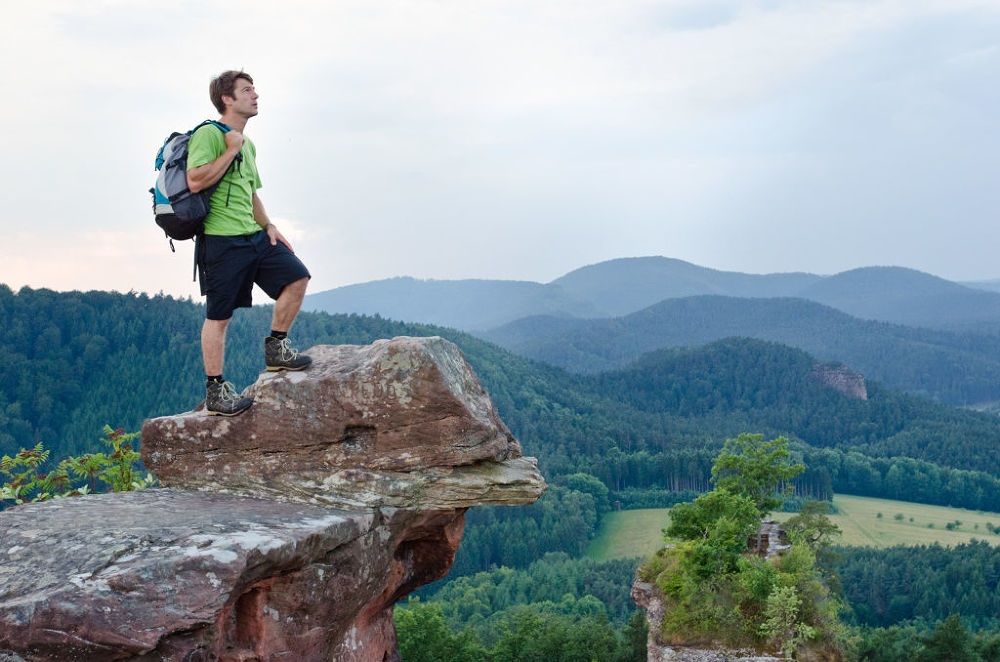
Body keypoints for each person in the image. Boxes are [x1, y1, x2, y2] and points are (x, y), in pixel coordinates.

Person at [186, 70, 312, 416]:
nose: (255, 96)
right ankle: (215, 390)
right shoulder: (210, 134)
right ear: (227, 99)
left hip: (253, 236)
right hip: (221, 240)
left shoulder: (248, 144)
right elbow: (195, 181)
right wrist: (230, 150)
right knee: (219, 317)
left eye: (254, 90)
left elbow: (250, 191)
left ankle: (277, 347)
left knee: (297, 277)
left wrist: (269, 225)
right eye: (247, 90)